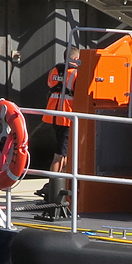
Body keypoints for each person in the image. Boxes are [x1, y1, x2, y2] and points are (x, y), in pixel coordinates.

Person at [42, 61, 77, 199]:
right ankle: (54, 188)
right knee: (60, 155)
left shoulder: (54, 70)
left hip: (54, 115)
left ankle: (60, 184)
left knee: (64, 153)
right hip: (66, 116)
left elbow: (50, 86)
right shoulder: (75, 72)